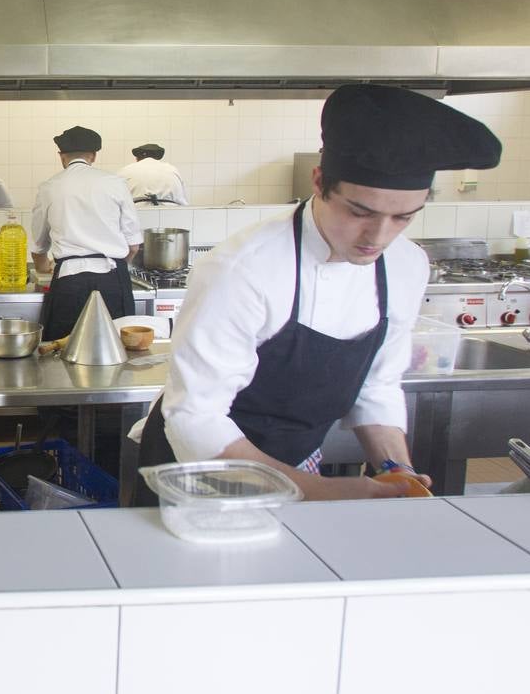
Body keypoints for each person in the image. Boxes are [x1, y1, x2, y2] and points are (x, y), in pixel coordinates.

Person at [132, 84, 502, 504]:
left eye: (403, 217)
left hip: (301, 467)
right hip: (198, 472)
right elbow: (195, 418)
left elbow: (377, 385)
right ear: (319, 181)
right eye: (360, 212)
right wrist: (323, 493)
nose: (377, 237)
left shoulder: (406, 265)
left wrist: (398, 472)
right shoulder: (243, 269)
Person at [30, 126, 144, 342]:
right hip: (113, 277)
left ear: (62, 157)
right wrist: (121, 266)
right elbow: (134, 245)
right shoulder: (115, 183)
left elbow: (38, 246)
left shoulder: (49, 187)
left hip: (69, 281)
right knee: (114, 348)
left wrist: (43, 268)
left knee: (63, 350)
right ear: (93, 155)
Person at [118, 143, 189, 205]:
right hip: (170, 213)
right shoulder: (172, 169)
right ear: (157, 158)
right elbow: (182, 200)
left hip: (138, 213)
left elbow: (118, 199)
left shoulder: (126, 170)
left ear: (137, 158)